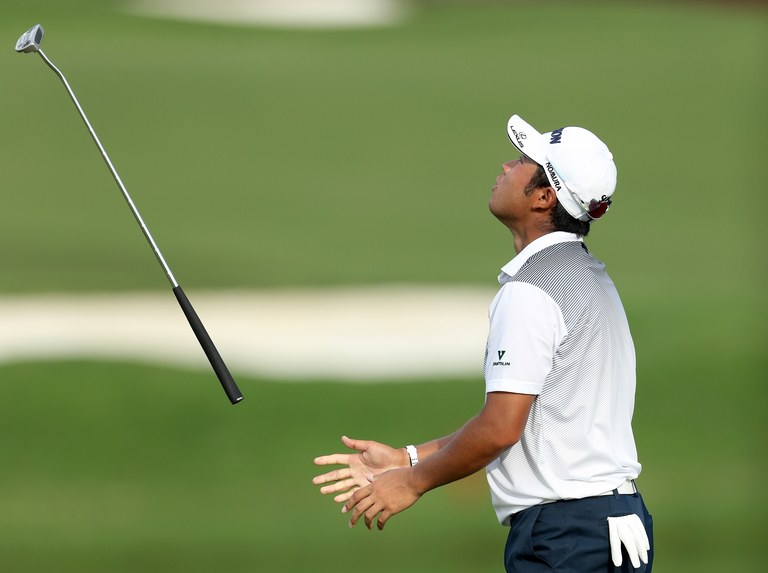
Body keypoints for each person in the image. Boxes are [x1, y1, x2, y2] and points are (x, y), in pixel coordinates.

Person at [312, 114, 654, 572]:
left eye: (521, 161)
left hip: (567, 536)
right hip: (606, 524)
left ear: (544, 197)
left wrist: (412, 481)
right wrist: (407, 456)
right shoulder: (590, 279)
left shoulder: (531, 291)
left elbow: (499, 429)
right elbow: (530, 421)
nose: (506, 166)